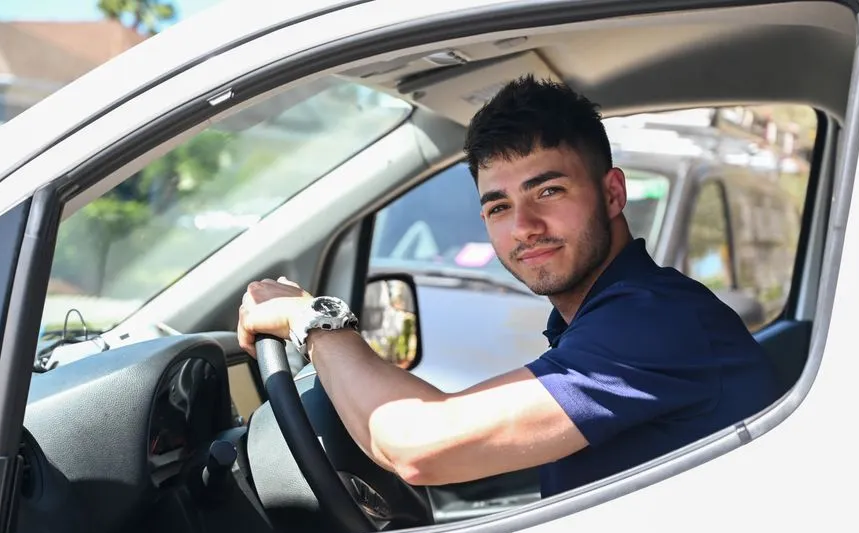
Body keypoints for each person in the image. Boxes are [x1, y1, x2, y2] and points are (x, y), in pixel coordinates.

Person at [236, 75, 781, 498]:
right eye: (499, 206)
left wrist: (313, 321)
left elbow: (419, 446)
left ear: (613, 194)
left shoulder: (653, 321)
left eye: (547, 191)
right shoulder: (601, 318)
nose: (522, 226)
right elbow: (444, 426)